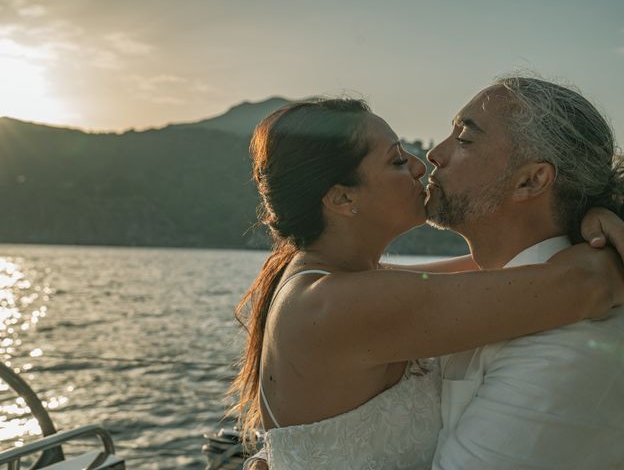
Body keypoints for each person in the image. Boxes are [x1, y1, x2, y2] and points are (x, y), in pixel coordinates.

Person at [231, 97, 624, 470]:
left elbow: (497, 266)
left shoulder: (342, 286)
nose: (422, 165)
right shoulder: (337, 304)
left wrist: (583, 218)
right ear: (342, 198)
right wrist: (601, 240)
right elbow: (591, 284)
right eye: (398, 161)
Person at [429, 76, 624, 469]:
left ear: (531, 180)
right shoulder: (492, 294)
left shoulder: (570, 343)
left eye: (465, 139)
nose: (434, 154)